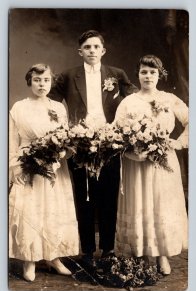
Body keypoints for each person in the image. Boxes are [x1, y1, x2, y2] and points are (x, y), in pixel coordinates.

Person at [49, 30, 138, 268]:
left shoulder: (116, 74)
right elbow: (50, 104)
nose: (91, 51)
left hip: (110, 143)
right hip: (80, 144)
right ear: (80, 51)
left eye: (95, 47)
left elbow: (134, 101)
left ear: (103, 50)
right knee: (84, 198)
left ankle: (108, 249)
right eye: (87, 47)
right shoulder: (69, 76)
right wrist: (64, 129)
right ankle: (87, 251)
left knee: (108, 197)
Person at [114, 54, 188, 275]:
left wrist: (178, 142)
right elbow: (116, 132)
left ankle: (162, 254)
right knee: (140, 203)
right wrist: (134, 151)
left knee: (160, 204)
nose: (148, 76)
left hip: (163, 162)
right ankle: (145, 253)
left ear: (159, 74)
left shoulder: (169, 99)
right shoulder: (129, 102)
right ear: (138, 74)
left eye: (152, 72)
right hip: (136, 163)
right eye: (144, 72)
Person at [9, 63, 79, 282]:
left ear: (51, 82)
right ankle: (29, 260)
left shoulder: (58, 107)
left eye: (46, 80)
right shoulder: (19, 107)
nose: (42, 84)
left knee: (54, 209)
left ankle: (53, 256)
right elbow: (12, 140)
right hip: (27, 164)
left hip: (54, 168)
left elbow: (66, 139)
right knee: (30, 210)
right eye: (37, 80)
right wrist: (14, 166)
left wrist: (59, 155)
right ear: (30, 81)